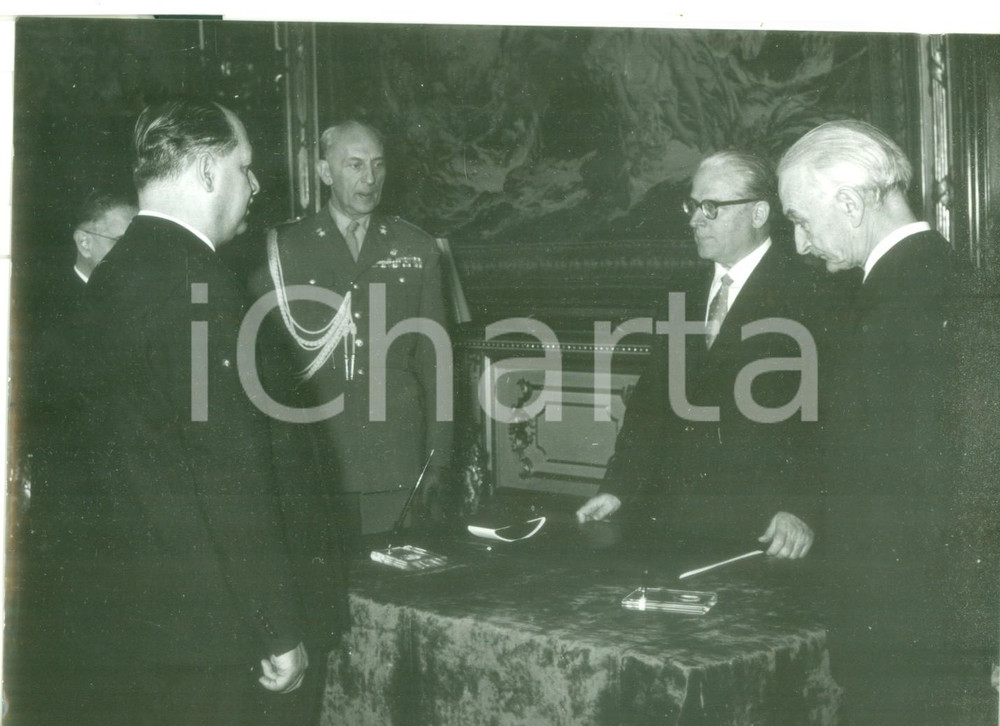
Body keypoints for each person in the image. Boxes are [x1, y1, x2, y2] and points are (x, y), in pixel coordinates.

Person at [43, 98, 347, 726]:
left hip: (134, 617)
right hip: (214, 631)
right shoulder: (200, 287)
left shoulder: (114, 273)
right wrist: (277, 627)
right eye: (245, 166)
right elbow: (229, 478)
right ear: (208, 171)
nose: (255, 185)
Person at [777, 119, 965, 724]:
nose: (800, 244)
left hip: (913, 630)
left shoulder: (915, 297)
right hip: (900, 618)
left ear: (852, 203)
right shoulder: (909, 284)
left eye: (801, 221)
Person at [576, 150, 828, 560]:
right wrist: (618, 488)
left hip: (767, 531)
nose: (694, 219)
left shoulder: (812, 292)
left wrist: (802, 507)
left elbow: (834, 418)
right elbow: (650, 408)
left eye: (711, 207)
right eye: (692, 206)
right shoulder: (683, 292)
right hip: (673, 522)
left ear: (759, 213)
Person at [249, 120, 453, 541]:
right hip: (316, 457)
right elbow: (263, 364)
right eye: (355, 165)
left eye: (378, 165)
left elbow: (436, 362)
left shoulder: (416, 247)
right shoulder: (282, 248)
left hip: (395, 459)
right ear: (325, 172)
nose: (370, 178)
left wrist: (439, 458)